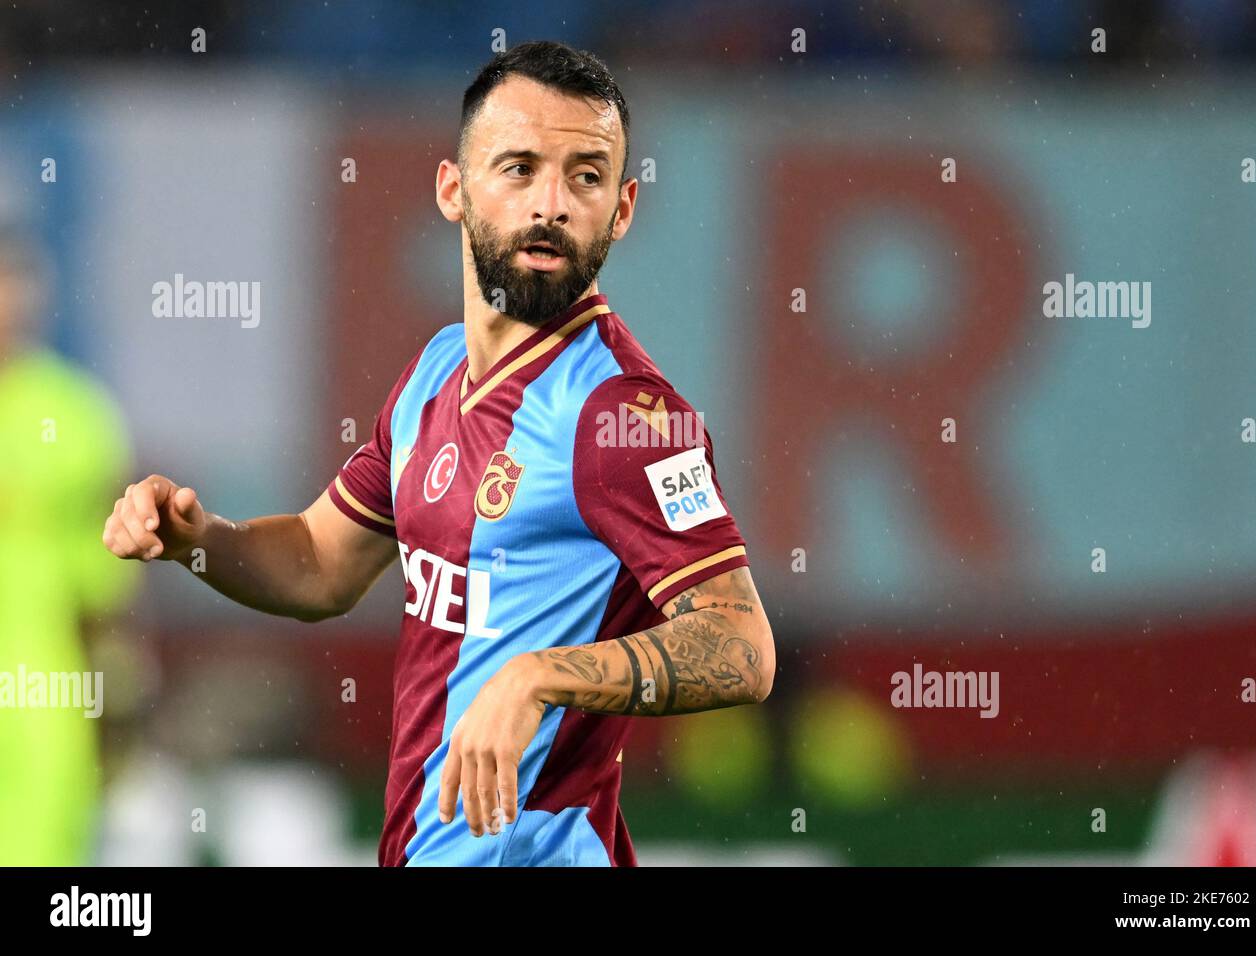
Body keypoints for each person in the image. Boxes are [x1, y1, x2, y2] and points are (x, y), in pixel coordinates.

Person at [102, 39, 775, 866]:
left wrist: (543, 676)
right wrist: (198, 541)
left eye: (587, 176)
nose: (552, 204)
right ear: (453, 189)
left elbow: (741, 645)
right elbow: (319, 565)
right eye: (520, 168)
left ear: (625, 208)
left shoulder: (623, 415)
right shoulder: (435, 373)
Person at [0, 232, 139, 864]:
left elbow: (105, 586)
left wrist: (120, 695)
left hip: (43, 694)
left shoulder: (77, 417)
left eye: (14, 284)